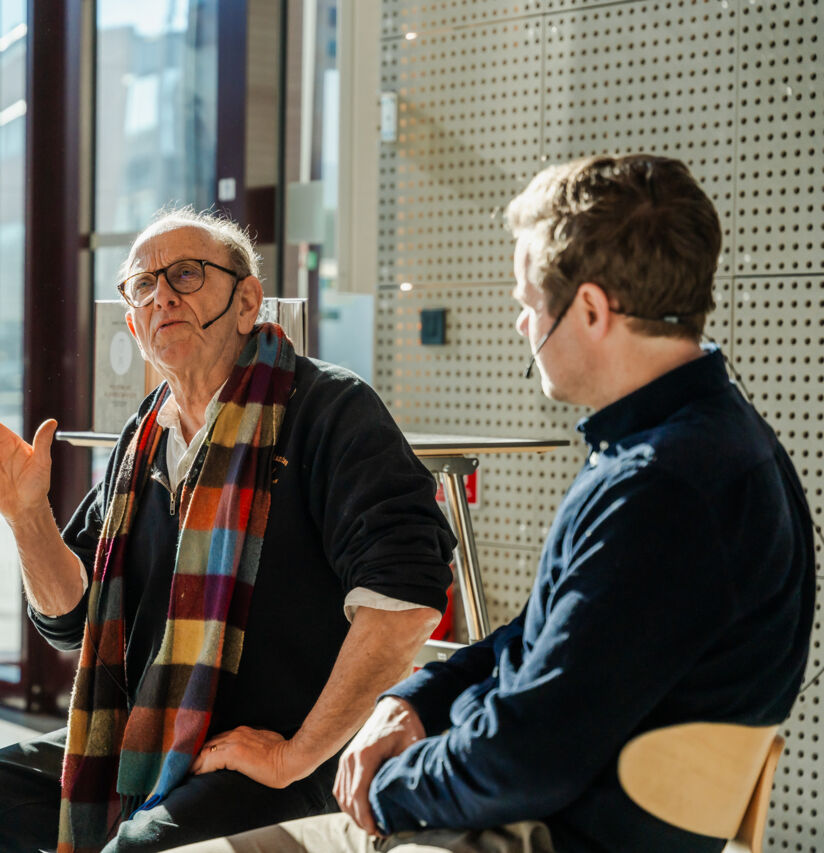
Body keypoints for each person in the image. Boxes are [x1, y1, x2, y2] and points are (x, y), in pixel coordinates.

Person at [164, 154, 818, 853]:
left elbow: (526, 755)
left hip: (537, 834)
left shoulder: (661, 487)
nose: (521, 325)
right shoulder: (713, 443)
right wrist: (416, 698)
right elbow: (542, 635)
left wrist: (386, 783)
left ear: (591, 309)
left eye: (530, 303)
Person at [0, 209, 457, 853]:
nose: (162, 295)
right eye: (143, 285)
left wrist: (297, 755)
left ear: (247, 301)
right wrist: (27, 515)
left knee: (140, 849)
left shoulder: (329, 410)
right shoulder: (141, 442)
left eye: (186, 275)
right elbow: (71, 620)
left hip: (287, 755)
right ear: (133, 324)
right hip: (146, 737)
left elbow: (408, 597)